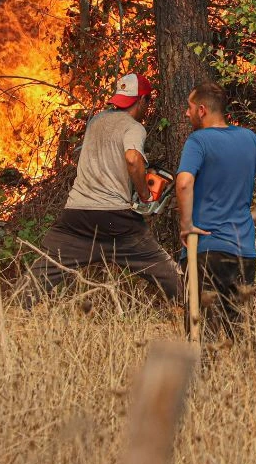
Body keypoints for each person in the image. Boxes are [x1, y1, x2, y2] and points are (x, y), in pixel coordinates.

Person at [25, 73, 183, 303]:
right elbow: (132, 159)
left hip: (77, 214)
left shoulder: (96, 121)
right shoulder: (134, 127)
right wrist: (145, 195)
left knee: (44, 271)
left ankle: (16, 305)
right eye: (147, 101)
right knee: (163, 270)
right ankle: (198, 306)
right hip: (115, 218)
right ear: (142, 100)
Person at [175, 83, 256, 341]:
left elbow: (183, 182)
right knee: (240, 331)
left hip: (205, 249)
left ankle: (204, 369)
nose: (186, 113)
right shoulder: (249, 139)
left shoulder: (198, 141)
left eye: (190, 108)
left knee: (202, 334)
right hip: (242, 250)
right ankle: (245, 368)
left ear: (202, 110)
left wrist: (186, 224)